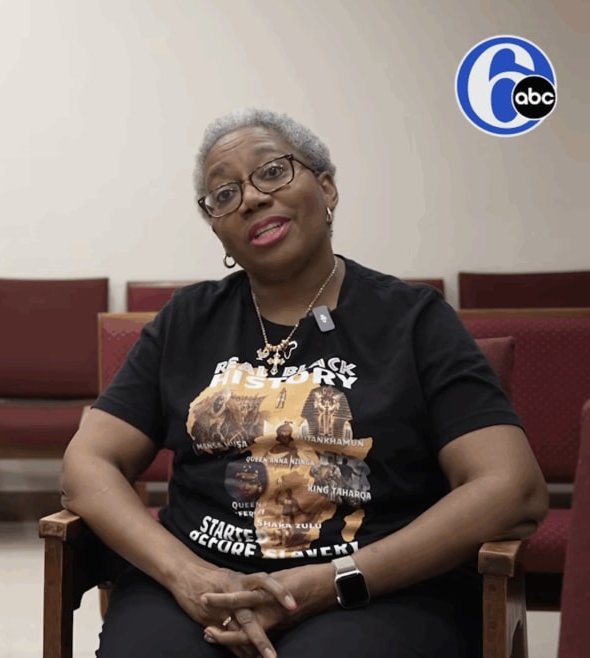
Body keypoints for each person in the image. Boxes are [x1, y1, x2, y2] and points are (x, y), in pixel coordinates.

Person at [60, 108, 548, 658]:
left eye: (271, 172)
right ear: (219, 230)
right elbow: (87, 462)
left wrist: (330, 581)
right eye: (224, 195)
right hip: (202, 587)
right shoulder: (186, 321)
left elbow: (512, 487)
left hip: (377, 590)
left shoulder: (414, 320)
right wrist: (187, 574)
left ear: (327, 187)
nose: (250, 198)